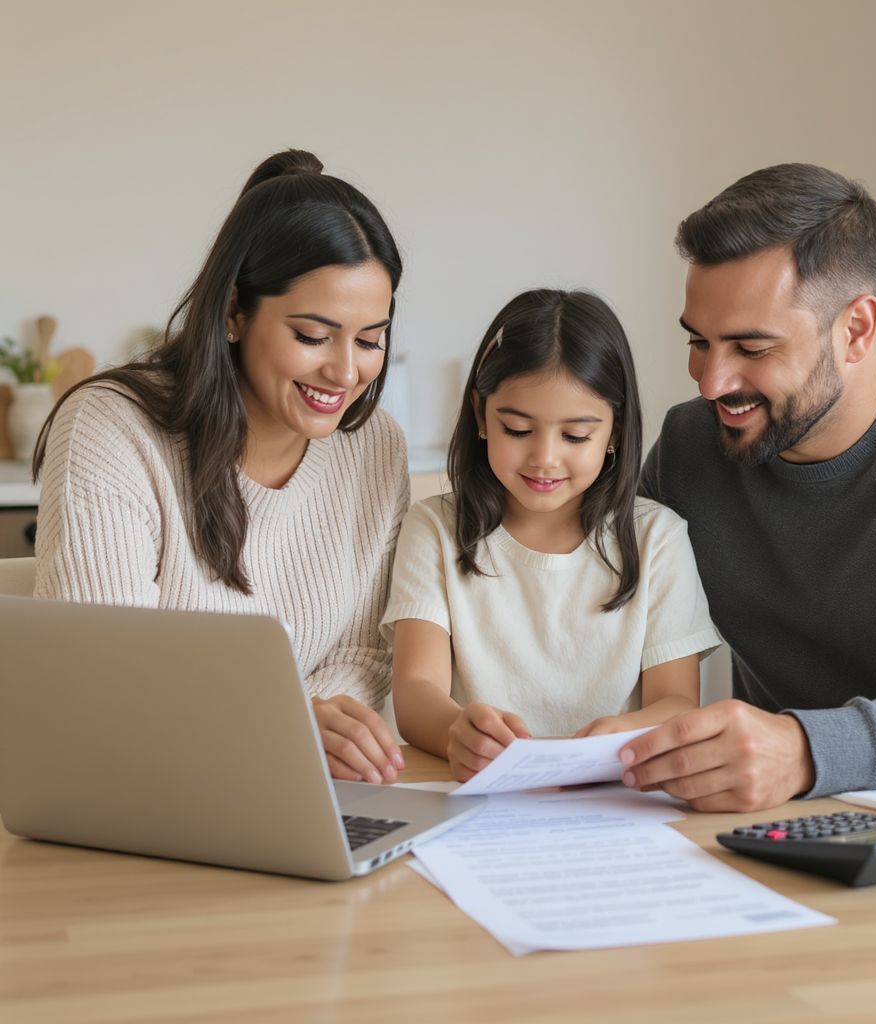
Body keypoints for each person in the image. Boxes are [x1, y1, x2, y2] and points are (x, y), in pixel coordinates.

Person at [620, 162, 876, 811]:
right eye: (699, 341)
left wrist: (809, 749)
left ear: (856, 329)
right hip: (764, 827)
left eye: (751, 349)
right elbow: (609, 627)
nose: (710, 382)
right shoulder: (691, 449)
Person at [32, 149, 408, 786]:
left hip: (289, 789)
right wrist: (283, 723)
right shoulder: (112, 428)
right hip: (135, 788)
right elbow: (103, 673)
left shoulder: (373, 446)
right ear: (234, 311)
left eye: (370, 339)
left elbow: (361, 652)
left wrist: (312, 731)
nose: (346, 372)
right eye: (314, 336)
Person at [381, 289, 719, 780]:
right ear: (481, 415)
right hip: (472, 801)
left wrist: (624, 733)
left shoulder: (657, 539)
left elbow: (678, 703)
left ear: (615, 432)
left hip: (610, 802)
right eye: (517, 429)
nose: (544, 457)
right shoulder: (435, 529)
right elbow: (414, 690)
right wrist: (457, 731)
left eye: (576, 436)